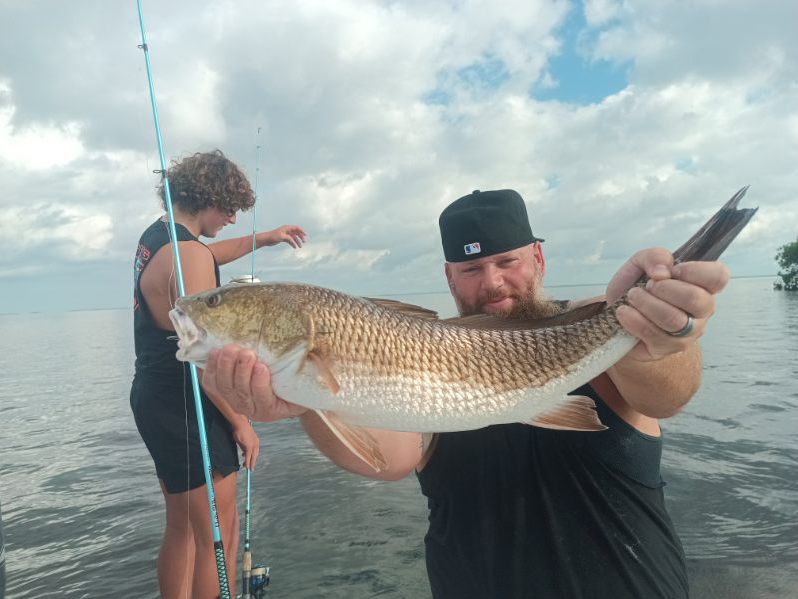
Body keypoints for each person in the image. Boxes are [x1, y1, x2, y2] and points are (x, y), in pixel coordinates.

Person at [200, 188, 730, 598]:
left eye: (508, 262)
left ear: (539, 260)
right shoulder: (412, 358)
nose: (493, 282)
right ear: (451, 278)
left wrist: (662, 329)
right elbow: (388, 459)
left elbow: (669, 395)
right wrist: (308, 397)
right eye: (472, 269)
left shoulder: (595, 323)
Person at [130, 149, 306, 599]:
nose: (231, 218)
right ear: (209, 199)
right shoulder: (188, 256)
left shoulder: (162, 239)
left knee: (184, 529)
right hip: (187, 405)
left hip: (154, 396)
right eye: (229, 209)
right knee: (218, 534)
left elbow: (207, 255)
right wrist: (242, 423)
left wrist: (263, 238)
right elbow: (209, 362)